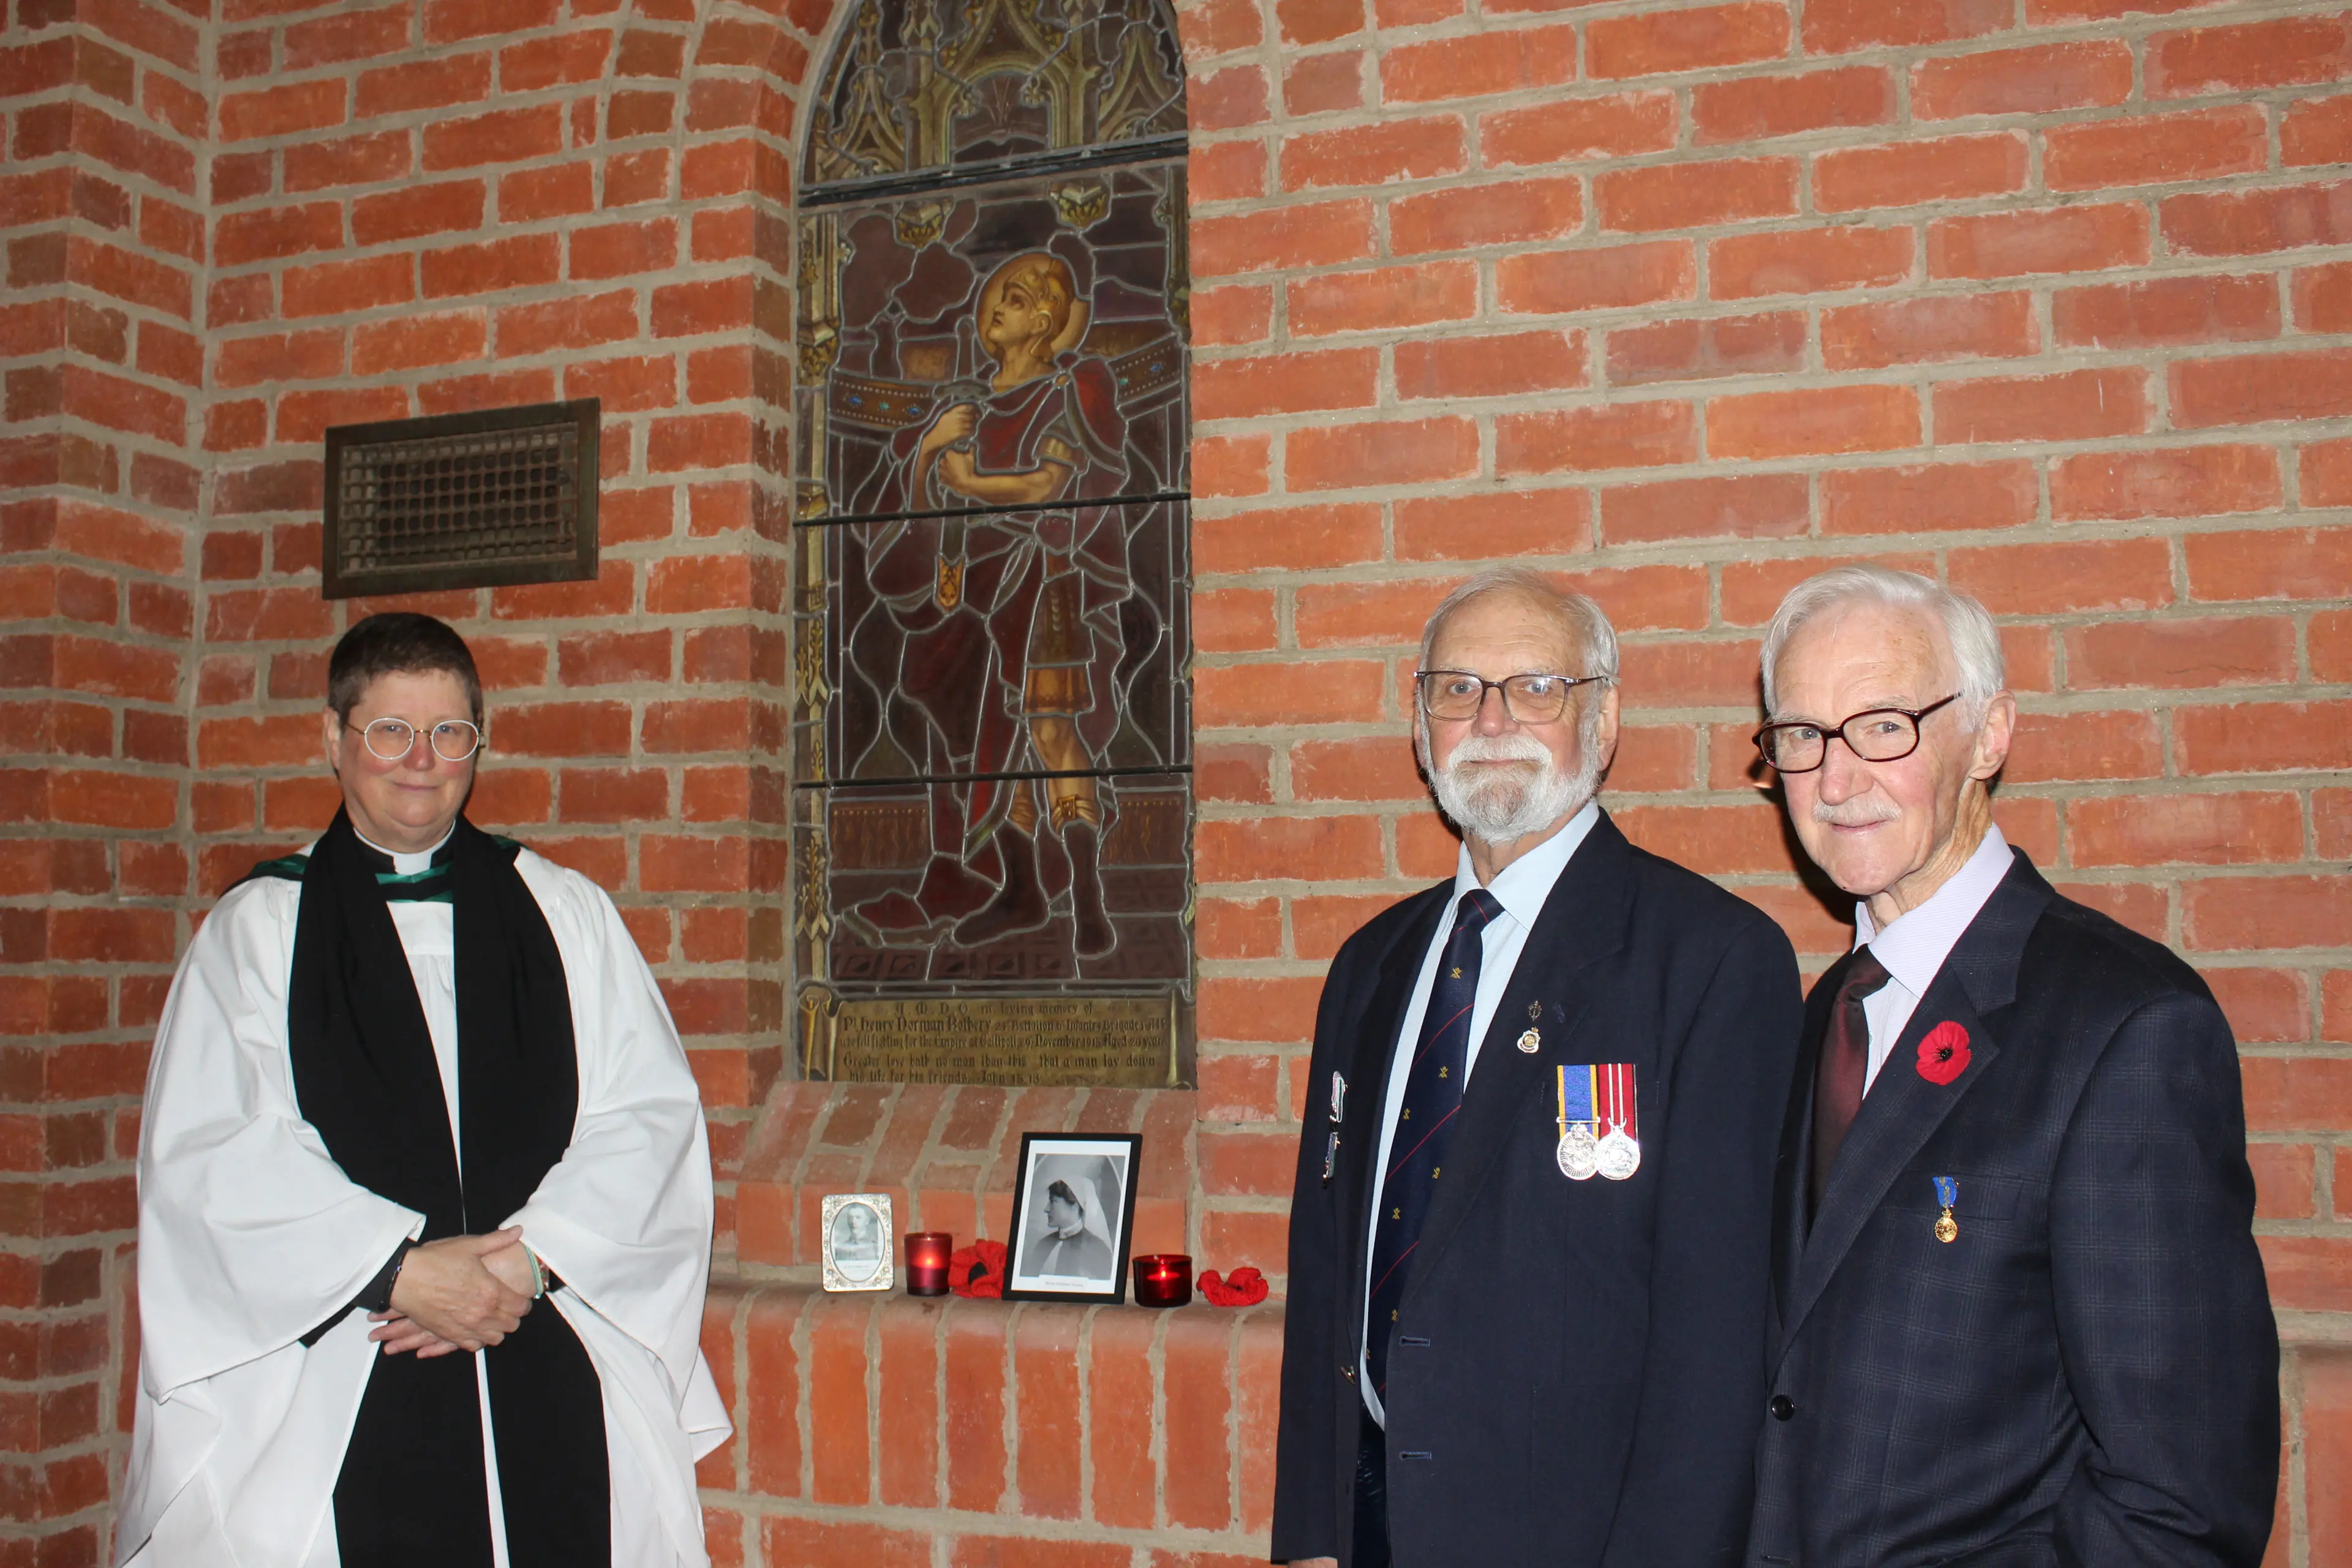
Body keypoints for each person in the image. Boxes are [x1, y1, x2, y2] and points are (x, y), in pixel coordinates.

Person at [121, 613, 730, 1568]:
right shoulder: (259, 932)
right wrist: (403, 1272)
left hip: (542, 1338)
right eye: (390, 731)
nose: (422, 761)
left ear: (477, 747)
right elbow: (212, 1159)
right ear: (334, 739)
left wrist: (520, 1270)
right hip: (345, 1361)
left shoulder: (563, 912)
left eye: (450, 734)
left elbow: (648, 1121)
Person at [1746, 565, 2277, 1566]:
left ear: (1990, 734)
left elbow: (2183, 1506)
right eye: (1802, 736)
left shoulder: (2125, 1026)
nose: (1837, 778)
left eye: (1885, 725)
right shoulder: (1833, 1009)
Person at [1273, 568, 1803, 1567]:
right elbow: (1327, 1277)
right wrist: (1309, 1532)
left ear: (1602, 725)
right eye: (1458, 689)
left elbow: (1721, 1346)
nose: (1492, 718)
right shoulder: (1368, 969)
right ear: (1419, 726)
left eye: (1537, 689)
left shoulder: (1710, 962)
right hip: (1371, 1525)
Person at [850, 249, 1134, 956]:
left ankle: (1090, 898)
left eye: (1013, 298)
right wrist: (925, 454)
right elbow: (919, 513)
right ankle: (1020, 890)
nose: (993, 308)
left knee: (1048, 733)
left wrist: (970, 482)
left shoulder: (1066, 394)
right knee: (996, 748)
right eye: (993, 298)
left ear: (1045, 320)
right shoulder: (965, 411)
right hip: (976, 593)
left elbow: (1046, 486)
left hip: (1046, 580)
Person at [1031, 1178, 1114, 1280]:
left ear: (1075, 1204)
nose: (1047, 1209)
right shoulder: (1043, 1245)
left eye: (1053, 1201)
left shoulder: (1098, 1249)